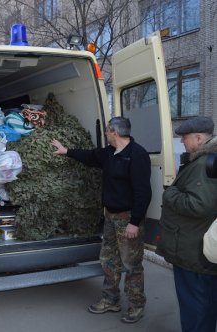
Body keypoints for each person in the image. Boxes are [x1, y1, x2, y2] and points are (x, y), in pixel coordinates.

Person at [51, 116, 151, 324]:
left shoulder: (137, 154)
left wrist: (135, 221)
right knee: (108, 261)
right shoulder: (109, 153)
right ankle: (110, 300)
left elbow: (143, 192)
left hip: (128, 218)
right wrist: (66, 150)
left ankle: (136, 305)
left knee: (131, 265)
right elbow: (90, 156)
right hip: (111, 217)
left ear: (115, 132)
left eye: (107, 131)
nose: (105, 134)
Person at [156, 116, 217, 332]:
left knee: (196, 307)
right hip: (195, 248)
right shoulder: (202, 160)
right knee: (203, 305)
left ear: (199, 138)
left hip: (194, 252)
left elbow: (199, 205)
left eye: (184, 138)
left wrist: (170, 192)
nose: (182, 142)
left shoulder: (203, 163)